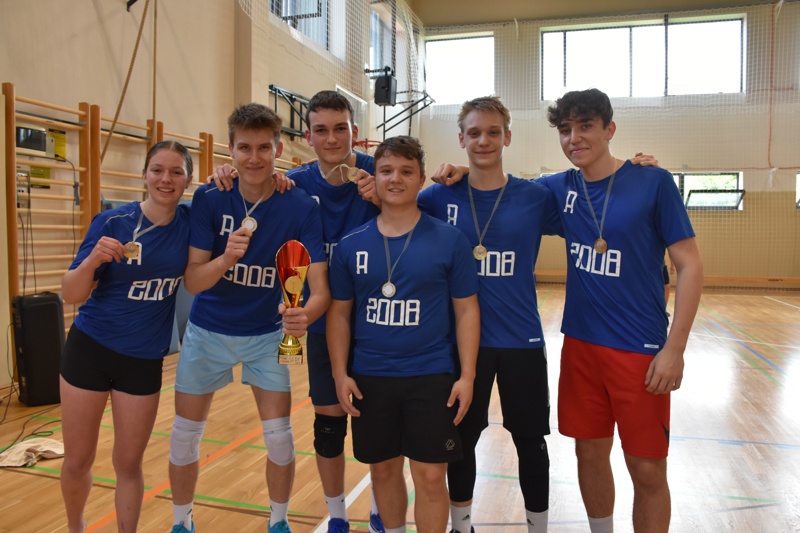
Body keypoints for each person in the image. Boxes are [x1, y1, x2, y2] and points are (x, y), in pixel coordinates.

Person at [542, 88, 703, 533]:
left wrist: (675, 349)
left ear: (609, 129)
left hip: (640, 351)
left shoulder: (653, 182)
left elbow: (690, 265)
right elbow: (499, 190)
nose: (574, 138)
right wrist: (463, 170)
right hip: (580, 346)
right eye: (565, 130)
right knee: (588, 454)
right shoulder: (558, 188)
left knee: (647, 468)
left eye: (586, 126)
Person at [168, 103, 330, 533]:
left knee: (280, 438)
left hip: (268, 336)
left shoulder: (300, 205)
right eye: (244, 148)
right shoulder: (210, 197)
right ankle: (181, 523)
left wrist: (305, 315)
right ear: (231, 150)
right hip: (207, 332)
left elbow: (321, 289)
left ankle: (279, 522)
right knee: (183, 436)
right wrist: (226, 258)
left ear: (279, 150)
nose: (254, 158)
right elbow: (193, 282)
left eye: (263, 148)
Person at [417, 96, 560, 533]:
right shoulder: (439, 196)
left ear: (507, 137)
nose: (484, 141)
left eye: (493, 132)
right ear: (461, 139)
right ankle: (462, 528)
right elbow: (391, 201)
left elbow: (591, 187)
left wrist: (635, 167)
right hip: (462, 343)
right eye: (474, 133)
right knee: (461, 439)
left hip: (521, 340)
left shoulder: (536, 196)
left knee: (530, 441)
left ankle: (538, 527)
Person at [327, 136, 480, 533]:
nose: (395, 179)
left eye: (406, 171)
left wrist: (467, 375)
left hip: (431, 375)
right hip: (371, 377)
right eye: (386, 171)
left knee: (430, 476)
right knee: (383, 471)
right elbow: (339, 315)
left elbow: (467, 310)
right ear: (374, 178)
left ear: (420, 180)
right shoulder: (350, 246)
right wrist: (340, 374)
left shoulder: (450, 240)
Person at [59, 140, 193, 533]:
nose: (165, 179)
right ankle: (75, 527)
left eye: (176, 172)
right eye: (157, 170)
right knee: (77, 459)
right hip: (90, 350)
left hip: (142, 361)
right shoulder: (112, 222)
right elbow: (71, 293)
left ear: (188, 180)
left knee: (129, 463)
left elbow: (237, 193)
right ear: (144, 175)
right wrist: (92, 260)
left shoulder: (192, 224)